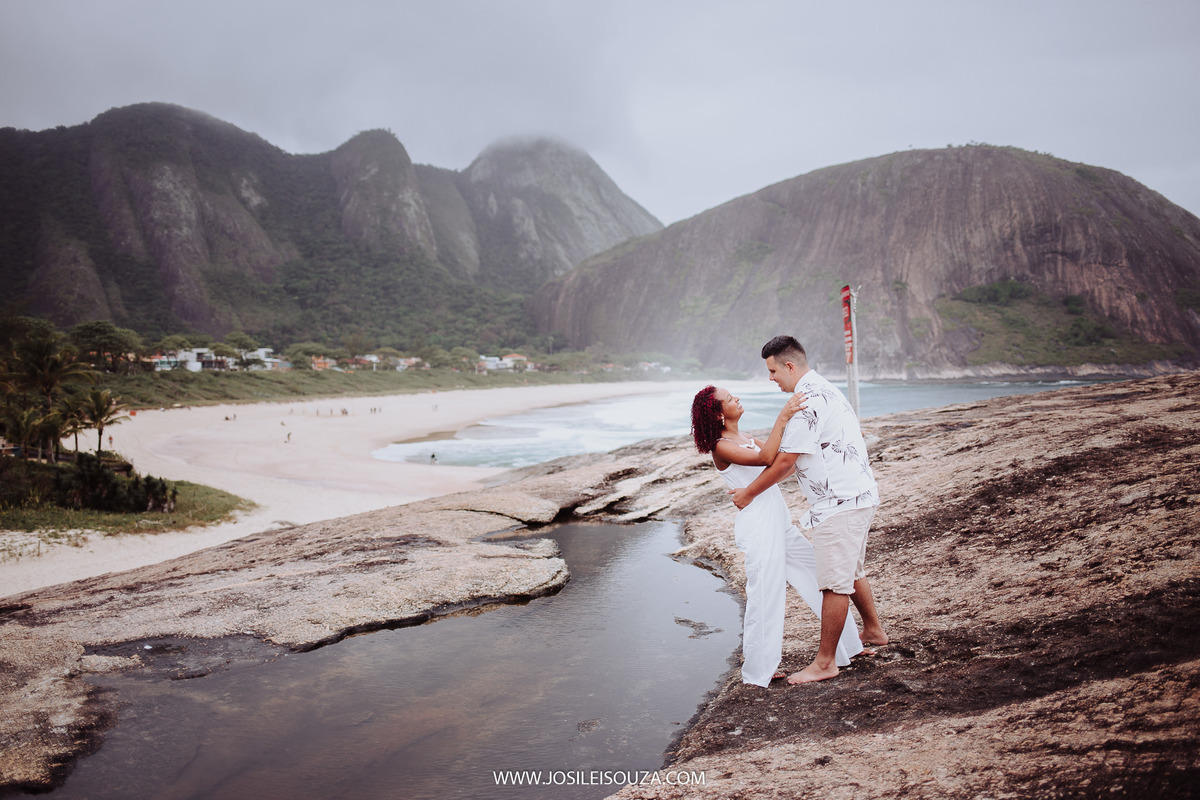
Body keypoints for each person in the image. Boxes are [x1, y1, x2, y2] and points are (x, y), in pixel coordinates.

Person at [730, 335, 888, 684]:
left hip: (840, 501)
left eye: (773, 371)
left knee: (834, 583)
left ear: (789, 365)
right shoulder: (824, 387)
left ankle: (826, 662)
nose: (771, 378)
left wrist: (749, 493)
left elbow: (786, 461)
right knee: (851, 570)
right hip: (858, 494)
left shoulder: (806, 401)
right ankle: (874, 631)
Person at [691, 385, 864, 688]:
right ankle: (759, 670)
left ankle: (846, 647)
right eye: (730, 399)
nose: (737, 399)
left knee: (815, 573)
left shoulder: (744, 438)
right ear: (718, 414)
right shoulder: (721, 446)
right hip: (759, 524)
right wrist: (783, 416)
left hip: (778, 519)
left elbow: (780, 463)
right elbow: (767, 457)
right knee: (765, 594)